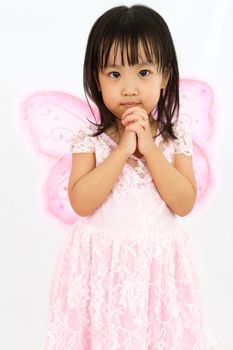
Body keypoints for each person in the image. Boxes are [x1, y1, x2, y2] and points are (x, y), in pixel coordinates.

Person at [42, 5, 218, 349]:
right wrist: (122, 151)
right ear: (97, 78)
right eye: (114, 74)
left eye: (143, 72)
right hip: (102, 270)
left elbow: (183, 202)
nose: (129, 88)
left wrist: (150, 150)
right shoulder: (89, 140)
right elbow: (81, 202)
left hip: (157, 272)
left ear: (164, 76)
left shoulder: (174, 137)